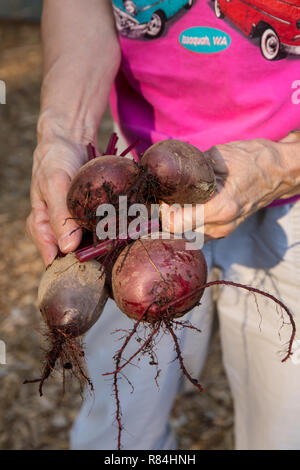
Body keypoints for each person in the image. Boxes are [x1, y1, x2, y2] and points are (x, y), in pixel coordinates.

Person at [26, 0, 300, 450]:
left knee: (286, 425)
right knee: (117, 432)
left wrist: (280, 164)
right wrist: (61, 131)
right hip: (138, 191)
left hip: (290, 183)